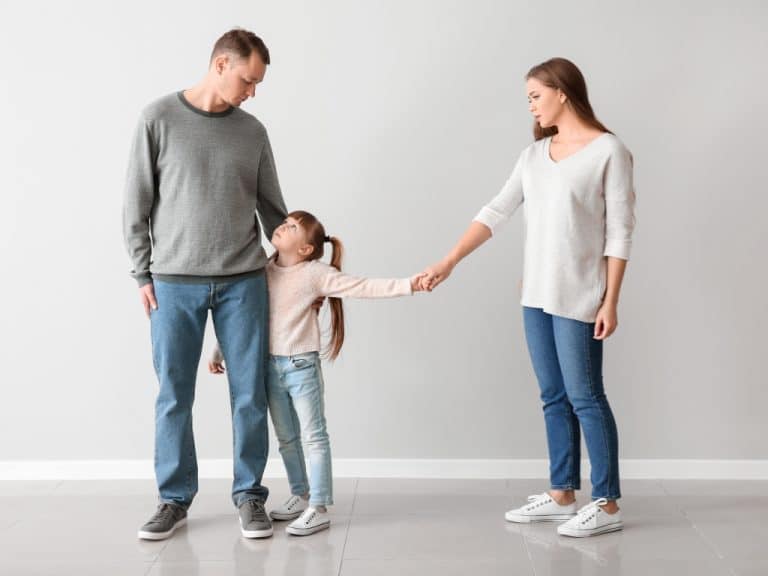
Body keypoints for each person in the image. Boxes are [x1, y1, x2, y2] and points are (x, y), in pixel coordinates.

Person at [421, 57, 636, 538]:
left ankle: (607, 503)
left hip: (581, 296)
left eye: (535, 96)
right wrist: (449, 261)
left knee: (586, 397)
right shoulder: (533, 157)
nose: (531, 106)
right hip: (535, 295)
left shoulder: (608, 151)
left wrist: (611, 300)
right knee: (553, 396)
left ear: (562, 92)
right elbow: (496, 211)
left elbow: (619, 234)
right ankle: (563, 492)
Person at [123, 28, 288, 540]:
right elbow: (136, 202)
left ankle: (249, 496)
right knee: (174, 394)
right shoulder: (157, 118)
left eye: (258, 84)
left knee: (249, 394)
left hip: (243, 281)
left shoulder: (252, 131)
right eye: (248, 79)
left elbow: (273, 209)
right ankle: (173, 499)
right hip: (173, 283)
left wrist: (298, 268)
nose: (252, 91)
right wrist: (141, 272)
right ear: (221, 63)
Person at [209, 210, 425, 535]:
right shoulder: (263, 271)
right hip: (269, 366)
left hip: (301, 366)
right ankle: (301, 492)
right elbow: (243, 316)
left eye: (292, 226)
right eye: (284, 222)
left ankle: (319, 506)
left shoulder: (314, 273)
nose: (281, 226)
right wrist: (219, 349)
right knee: (286, 438)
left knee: (314, 436)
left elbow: (362, 287)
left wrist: (410, 284)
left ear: (306, 249)